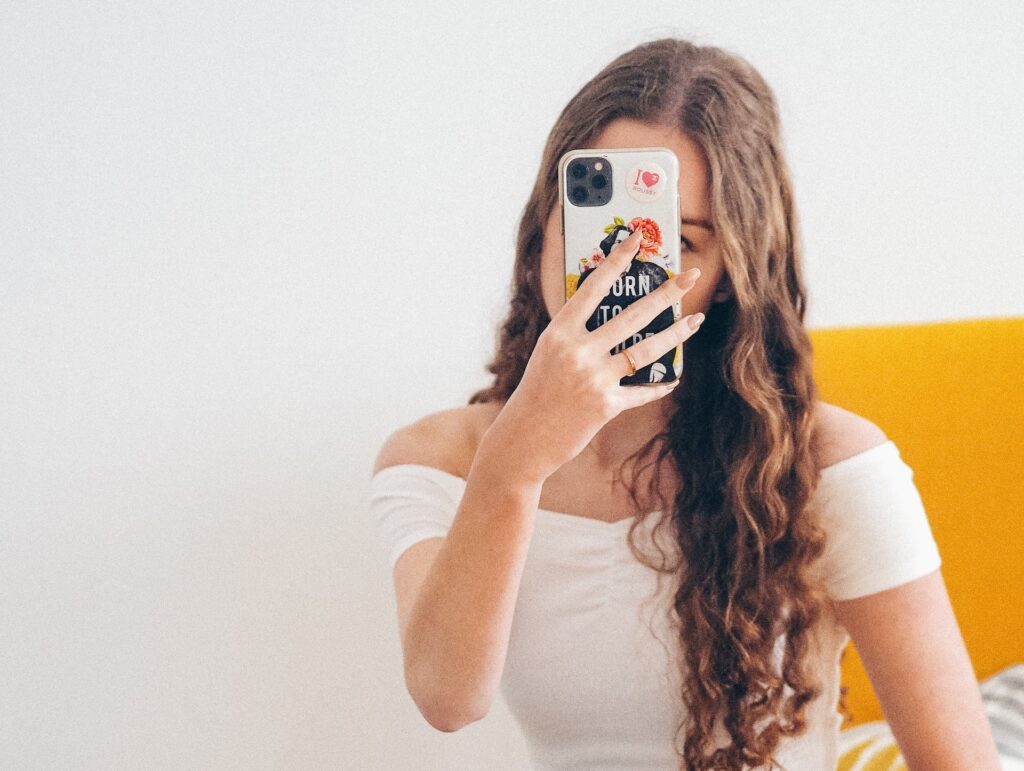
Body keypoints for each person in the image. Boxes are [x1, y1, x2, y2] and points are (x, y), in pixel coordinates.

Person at [368, 37, 1001, 770]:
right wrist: (514, 462)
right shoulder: (437, 459)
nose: (621, 271)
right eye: (600, 230)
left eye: (679, 243)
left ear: (730, 273)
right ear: (542, 227)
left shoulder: (827, 465)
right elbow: (447, 699)